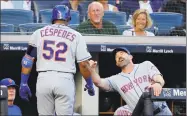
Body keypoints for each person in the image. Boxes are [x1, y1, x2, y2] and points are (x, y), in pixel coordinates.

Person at [19, 5, 95, 115]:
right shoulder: (76, 36)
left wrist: (23, 83)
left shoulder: (38, 33)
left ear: (53, 18)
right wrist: (89, 83)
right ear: (68, 18)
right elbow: (84, 64)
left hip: (43, 79)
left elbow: (27, 60)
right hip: (65, 79)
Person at [89, 47, 172, 115]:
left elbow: (158, 77)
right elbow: (98, 82)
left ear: (130, 56)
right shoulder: (115, 79)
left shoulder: (145, 65)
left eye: (122, 53)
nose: (119, 57)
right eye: (116, 57)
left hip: (162, 111)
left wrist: (158, 84)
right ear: (116, 64)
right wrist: (92, 70)